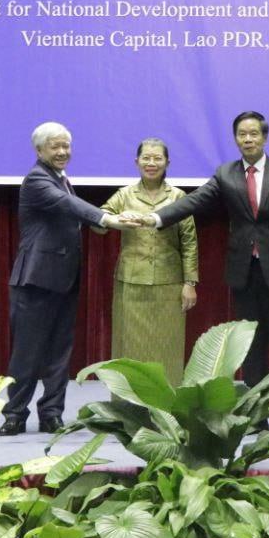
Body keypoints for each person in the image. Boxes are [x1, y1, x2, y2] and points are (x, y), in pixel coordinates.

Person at [144, 111, 269, 426]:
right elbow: (194, 202)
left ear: (265, 137)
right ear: (235, 139)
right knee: (249, 347)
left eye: (253, 134)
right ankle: (256, 416)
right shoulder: (226, 173)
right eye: (242, 134)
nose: (248, 139)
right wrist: (157, 218)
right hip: (243, 273)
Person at [0, 121, 135, 436]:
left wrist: (104, 221)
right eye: (55, 147)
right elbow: (67, 205)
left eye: (66, 146)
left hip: (63, 279)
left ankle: (51, 415)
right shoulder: (37, 179)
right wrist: (106, 219)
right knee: (27, 353)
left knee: (60, 352)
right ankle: (14, 415)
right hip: (34, 281)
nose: (62, 152)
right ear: (39, 150)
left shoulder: (61, 178)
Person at [100, 138, 199, 385]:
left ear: (167, 163)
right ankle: (128, 410)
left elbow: (189, 243)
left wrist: (190, 283)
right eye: (146, 158)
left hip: (170, 284)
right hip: (131, 283)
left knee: (168, 347)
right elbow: (98, 224)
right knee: (130, 348)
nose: (151, 163)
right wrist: (117, 218)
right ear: (137, 162)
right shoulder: (124, 195)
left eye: (157, 158)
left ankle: (168, 411)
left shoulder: (178, 197)